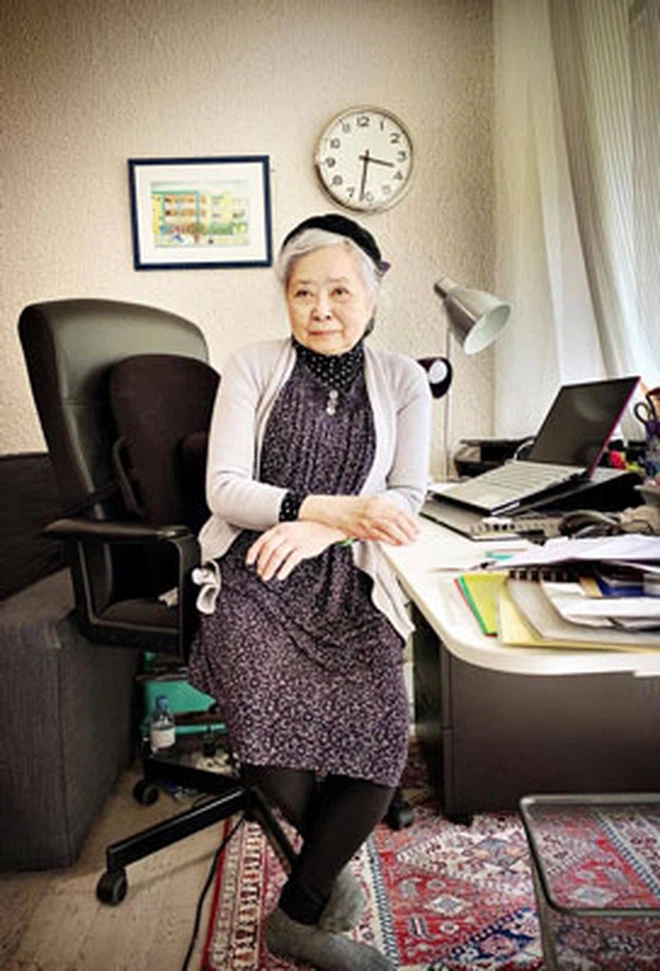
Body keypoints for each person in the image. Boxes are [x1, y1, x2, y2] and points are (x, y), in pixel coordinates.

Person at [189, 213, 431, 970]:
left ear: (373, 294)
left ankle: (296, 911)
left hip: (350, 574)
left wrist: (329, 531)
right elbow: (225, 489)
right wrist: (314, 510)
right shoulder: (252, 364)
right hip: (255, 567)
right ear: (285, 298)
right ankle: (321, 877)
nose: (321, 309)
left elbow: (408, 496)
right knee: (263, 706)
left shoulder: (403, 379)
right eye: (303, 293)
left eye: (339, 291)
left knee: (382, 725)